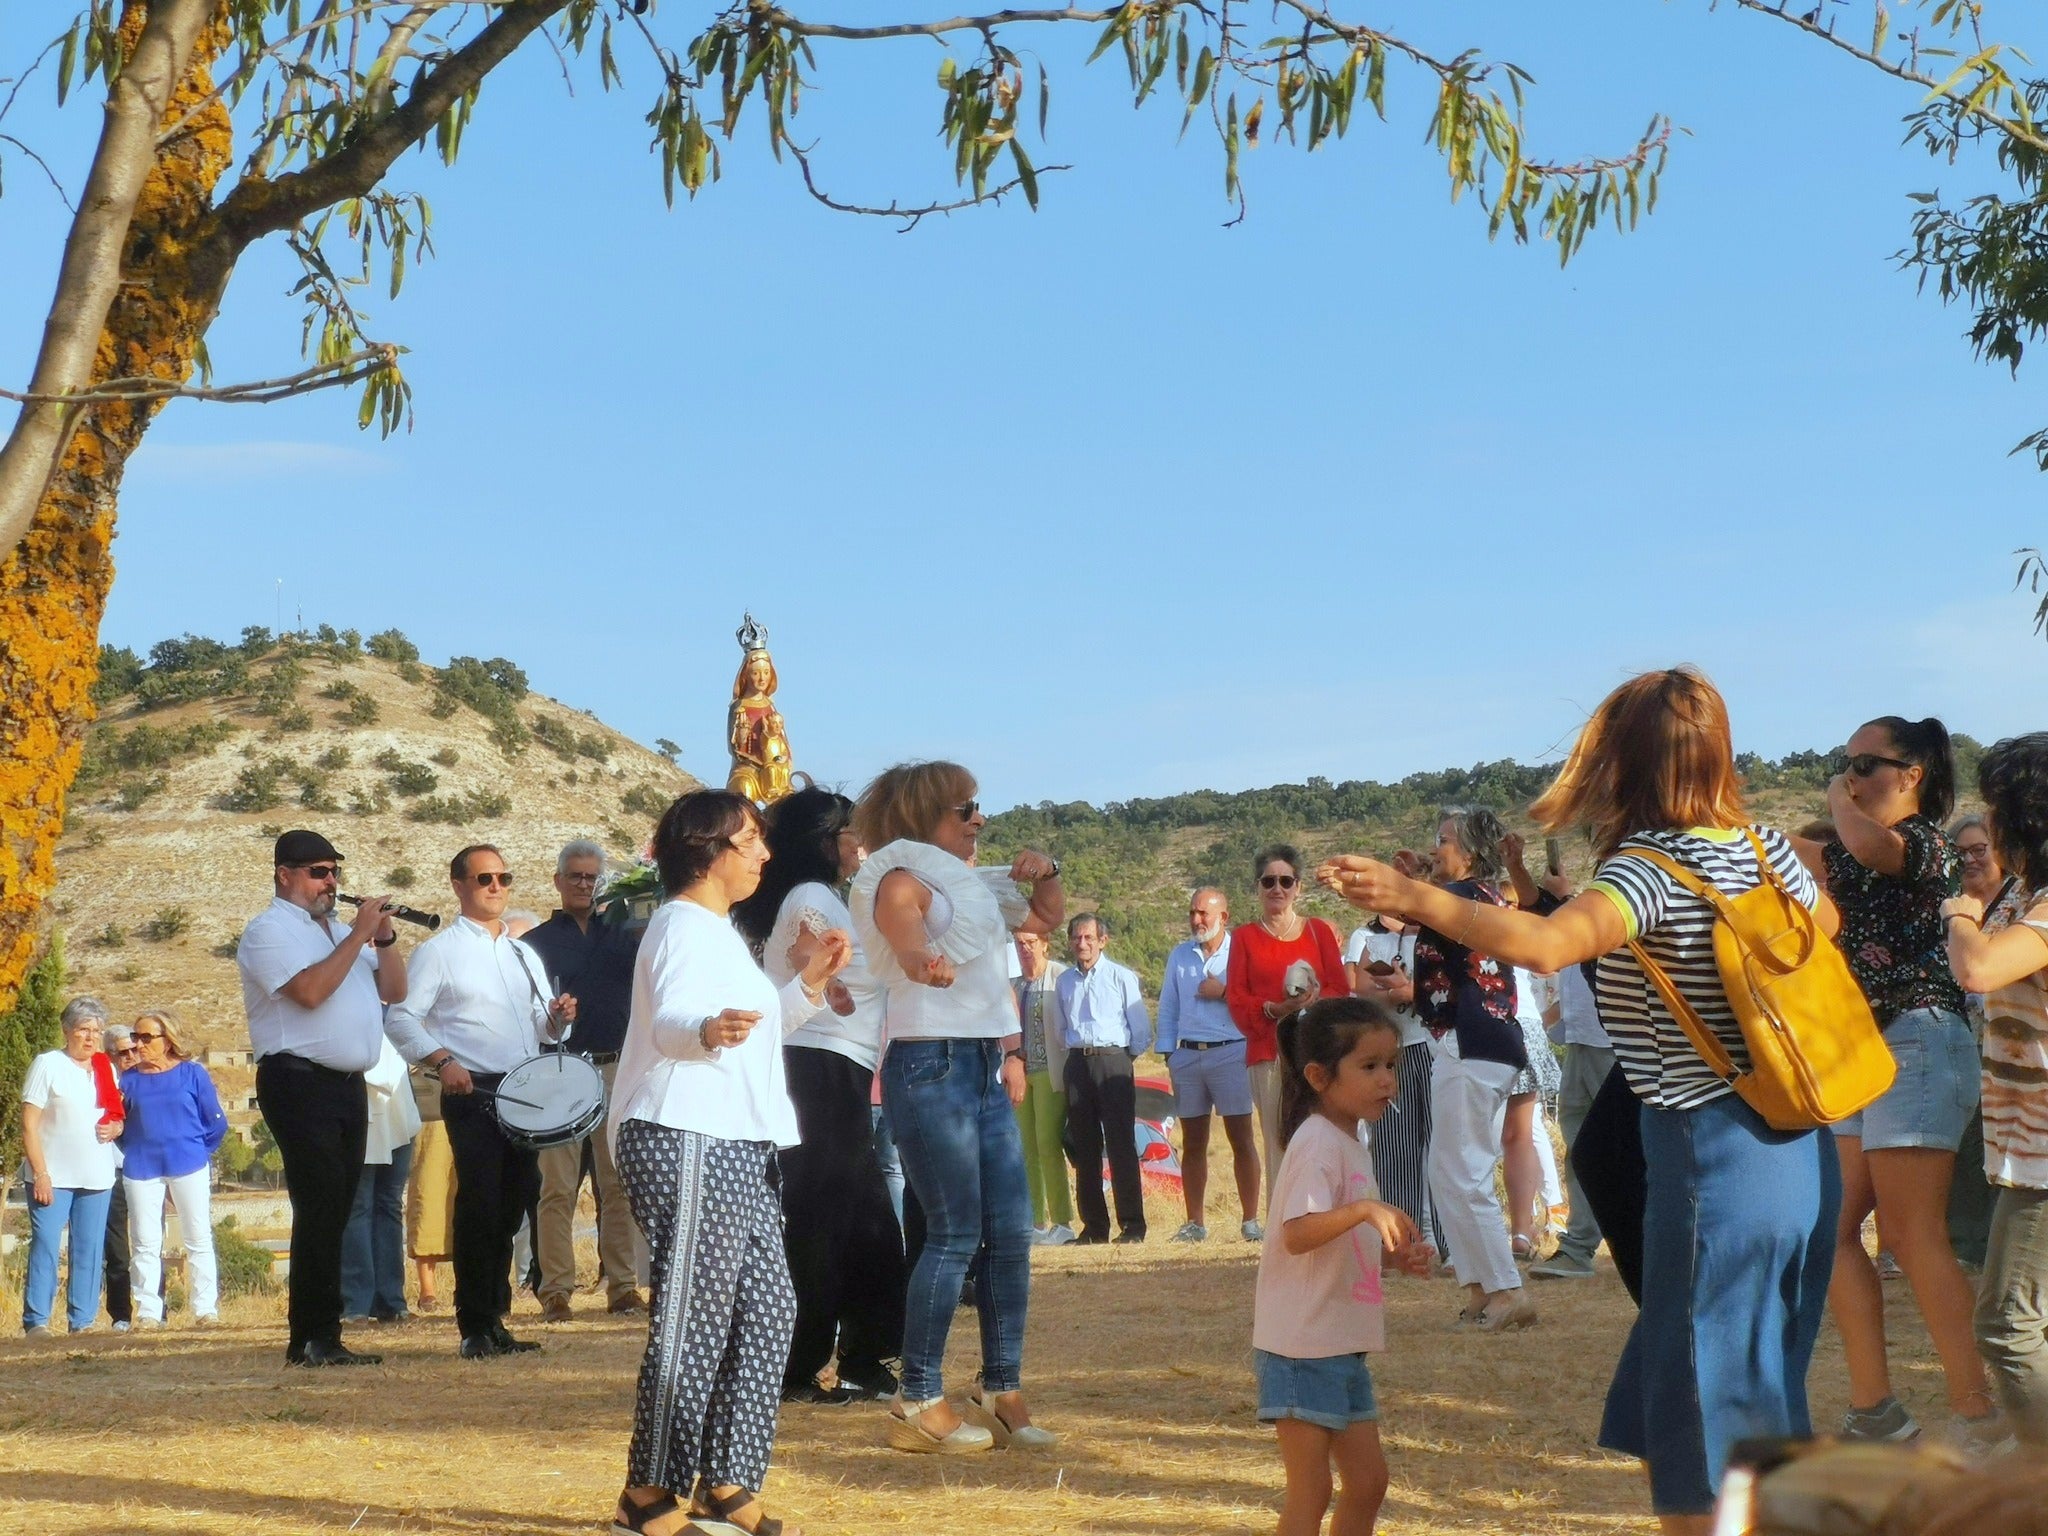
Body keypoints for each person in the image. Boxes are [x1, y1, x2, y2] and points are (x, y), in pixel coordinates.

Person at [1319, 667, 1842, 1534]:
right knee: (1758, 1373)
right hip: (1798, 1148)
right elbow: (1822, 925)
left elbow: (1550, 945)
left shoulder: (1652, 866)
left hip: (1712, 1150)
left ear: (1623, 763)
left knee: (1702, 1397)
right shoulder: (1765, 847)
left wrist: (1414, 898)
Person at [607, 790, 852, 1536]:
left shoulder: (720, 933)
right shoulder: (681, 927)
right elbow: (680, 1017)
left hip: (735, 1140)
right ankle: (648, 1492)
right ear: (707, 850)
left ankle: (727, 1482)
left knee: (771, 1308)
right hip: (683, 1132)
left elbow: (757, 1027)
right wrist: (707, 1028)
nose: (764, 854)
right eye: (751, 841)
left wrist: (805, 983)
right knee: (694, 1316)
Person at [1793, 717, 1998, 1449]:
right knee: (1836, 1230)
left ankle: (1978, 1413)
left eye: (1864, 764)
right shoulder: (1851, 855)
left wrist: (1830, 792)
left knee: (1912, 1236)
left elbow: (1858, 844)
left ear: (1911, 775)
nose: (1849, 777)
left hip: (1918, 1037)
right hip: (1864, 1050)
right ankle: (1875, 1407)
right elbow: (1784, 853)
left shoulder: (1926, 846)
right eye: (1842, 763)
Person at [850, 760, 1063, 1455]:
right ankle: (916, 1400)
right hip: (930, 1062)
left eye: (978, 807)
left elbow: (1046, 917)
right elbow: (906, 936)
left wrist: (1048, 869)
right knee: (951, 1235)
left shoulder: (975, 887)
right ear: (922, 818)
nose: (978, 819)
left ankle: (1002, 1388)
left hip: (976, 1062)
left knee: (1009, 1234)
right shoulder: (900, 880)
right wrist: (921, 963)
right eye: (963, 809)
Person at [732, 786, 906, 1404]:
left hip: (834, 1069)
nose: (859, 842)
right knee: (826, 1222)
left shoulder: (816, 895)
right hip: (818, 1069)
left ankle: (860, 1357)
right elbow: (818, 951)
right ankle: (800, 1366)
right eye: (851, 832)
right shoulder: (811, 896)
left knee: (865, 1225)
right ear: (826, 840)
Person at [384, 844, 576, 1359]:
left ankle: (496, 1319)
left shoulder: (522, 952)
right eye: (485, 878)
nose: (496, 887)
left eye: (503, 878)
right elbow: (400, 1017)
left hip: (524, 1089)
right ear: (459, 886)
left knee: (515, 1200)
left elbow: (543, 1027)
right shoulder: (440, 951)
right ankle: (474, 1323)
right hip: (473, 1089)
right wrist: (442, 1061)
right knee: (480, 1202)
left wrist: (560, 1016)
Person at [1254, 997, 1428, 1536]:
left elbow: (1342, 1241)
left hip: (1340, 1347)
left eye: (1391, 1066)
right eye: (1369, 1067)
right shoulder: (1315, 1143)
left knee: (1369, 1483)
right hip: (1302, 1350)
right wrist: (1364, 1210)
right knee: (1312, 1492)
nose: (1386, 1080)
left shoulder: (1353, 1141)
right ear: (1318, 1076)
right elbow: (1298, 1232)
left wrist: (1394, 1258)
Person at [236, 829, 407, 1367]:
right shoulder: (268, 932)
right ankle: (311, 1337)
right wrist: (357, 936)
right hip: (298, 1080)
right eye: (318, 871)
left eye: (334, 871)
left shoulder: (340, 931)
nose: (330, 882)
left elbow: (395, 991)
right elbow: (309, 993)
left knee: (337, 1208)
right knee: (318, 1206)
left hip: (346, 1085)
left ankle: (323, 1333)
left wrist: (384, 939)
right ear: (285, 875)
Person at [1942, 734, 2048, 1447]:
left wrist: (1956, 912)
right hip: (2025, 1146)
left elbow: (1978, 971)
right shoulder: (2024, 895)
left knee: (2006, 1324)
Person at [1402, 807, 1537, 1333]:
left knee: (1464, 1168)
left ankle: (1506, 1290)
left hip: (1472, 1038)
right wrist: (1421, 875)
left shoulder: (1463, 897)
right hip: (1476, 1039)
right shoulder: (1479, 897)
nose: (1436, 848)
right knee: (1446, 1168)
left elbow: (1411, 905)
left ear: (1470, 853)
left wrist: (1399, 881)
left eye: (1442, 841)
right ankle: (1481, 1287)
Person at [523, 840, 647, 1323]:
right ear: (557, 880)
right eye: (574, 875)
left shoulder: (623, 936)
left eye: (591, 877)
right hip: (560, 1067)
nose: (583, 883)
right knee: (556, 1187)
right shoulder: (534, 943)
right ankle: (555, 1290)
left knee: (616, 1185)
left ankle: (622, 1286)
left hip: (616, 1067)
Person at [1226, 844, 1348, 1211]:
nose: (1276, 888)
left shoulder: (1318, 933)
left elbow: (1341, 989)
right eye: (1268, 881)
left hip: (1318, 1053)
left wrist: (1315, 1000)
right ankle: (1286, 1229)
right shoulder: (1245, 937)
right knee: (1280, 1142)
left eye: (1285, 880)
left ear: (1298, 887)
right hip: (1269, 1052)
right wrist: (1274, 1008)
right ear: (1258, 888)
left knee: (1327, 1136)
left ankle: (1330, 1221)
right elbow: (1236, 997)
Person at [1162, 888, 1263, 1243]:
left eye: (1203, 913)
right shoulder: (1180, 956)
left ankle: (1250, 1221)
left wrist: (1223, 992)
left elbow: (1258, 998)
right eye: (1192, 912)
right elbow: (1169, 1006)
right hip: (1188, 1056)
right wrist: (1168, 1053)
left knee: (1241, 1138)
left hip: (1231, 1052)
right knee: (1192, 1141)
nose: (1196, 920)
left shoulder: (1242, 952)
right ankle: (1194, 1223)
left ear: (1224, 916)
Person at [19, 997, 123, 1336]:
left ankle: (83, 1320)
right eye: (83, 1030)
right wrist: (41, 1174)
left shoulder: (106, 1068)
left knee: (89, 1248)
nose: (91, 1037)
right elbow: (29, 1125)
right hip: (52, 1175)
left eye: (97, 1031)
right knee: (47, 1243)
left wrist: (117, 1127)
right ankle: (37, 1321)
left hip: (96, 1175)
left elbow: (114, 1115)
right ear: (67, 1031)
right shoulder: (47, 1064)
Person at [119, 1007, 228, 1327]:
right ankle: (149, 1312)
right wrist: (135, 1150)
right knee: (144, 1242)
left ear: (167, 1040)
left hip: (189, 1165)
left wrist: (196, 1153)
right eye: (135, 1037)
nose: (138, 1044)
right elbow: (118, 1127)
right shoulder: (128, 1080)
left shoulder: (193, 1074)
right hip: (141, 1168)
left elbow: (216, 1123)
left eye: (146, 1037)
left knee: (198, 1238)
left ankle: (205, 1309)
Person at [1345, 900, 1443, 1258]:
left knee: (1442, 1148)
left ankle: (1452, 1246)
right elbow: (1363, 987)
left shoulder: (1440, 936)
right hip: (1393, 1053)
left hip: (1434, 1048)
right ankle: (1401, 1243)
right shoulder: (1374, 939)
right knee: (1393, 1151)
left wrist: (1406, 991)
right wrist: (1400, 992)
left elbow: (1442, 990)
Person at [1051, 912, 1152, 1245]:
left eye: (1089, 938)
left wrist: (1121, 1059)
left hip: (1114, 1063)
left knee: (1121, 1144)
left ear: (1102, 940)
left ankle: (1133, 1226)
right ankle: (1094, 1227)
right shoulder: (1064, 982)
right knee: (1084, 1147)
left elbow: (1140, 1031)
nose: (1082, 944)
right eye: (1077, 938)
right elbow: (1061, 1028)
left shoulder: (1121, 977)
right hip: (1078, 1064)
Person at [1948, 813, 2013, 1271]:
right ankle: (1975, 1253)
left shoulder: (2022, 907)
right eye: (1962, 852)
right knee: (1969, 1156)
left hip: (2008, 1051)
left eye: (1979, 849)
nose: (1971, 859)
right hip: (1962, 1051)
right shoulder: (1952, 913)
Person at [1529, 945, 1616, 1281]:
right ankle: (1578, 1248)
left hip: (1614, 1041)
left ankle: (1650, 1245)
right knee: (1580, 1151)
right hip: (1581, 1036)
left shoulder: (1603, 897)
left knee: (1626, 1149)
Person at [341, 1036, 421, 1324]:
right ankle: (357, 1302)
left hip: (396, 1110)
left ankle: (390, 1300)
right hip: (365, 1107)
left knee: (385, 1204)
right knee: (360, 1206)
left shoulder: (393, 1007)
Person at [1011, 929, 1075, 1244]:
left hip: (1050, 1072)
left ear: (1045, 944)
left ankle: (1062, 1220)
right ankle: (1034, 1220)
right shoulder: (1014, 985)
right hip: (1020, 1075)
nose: (1025, 948)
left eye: (1030, 942)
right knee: (1026, 1148)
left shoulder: (1060, 978)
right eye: (1019, 943)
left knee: (1048, 1142)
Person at [100, 1020, 138, 1332]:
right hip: (112, 1171)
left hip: (145, 1169)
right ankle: (121, 1315)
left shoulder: (148, 1082)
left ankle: (156, 1308)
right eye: (124, 1052)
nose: (132, 1056)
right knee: (116, 1248)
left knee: (150, 1241)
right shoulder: (100, 1085)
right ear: (110, 1055)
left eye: (136, 1049)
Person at [407, 1062, 454, 1311]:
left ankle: (466, 1287)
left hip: (469, 1106)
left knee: (468, 1200)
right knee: (427, 1200)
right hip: (428, 1112)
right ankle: (427, 1291)